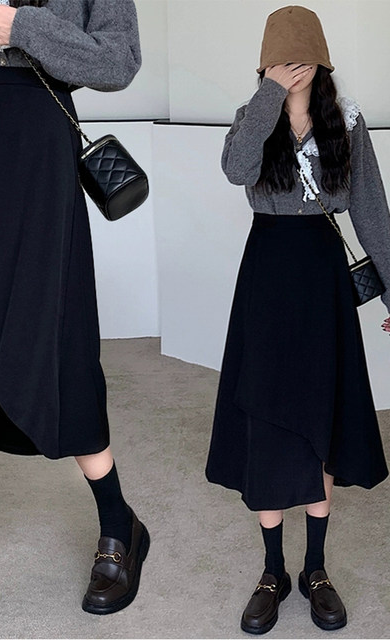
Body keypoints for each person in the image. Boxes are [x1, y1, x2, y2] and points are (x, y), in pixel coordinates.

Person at [0, 0, 150, 635]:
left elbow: (120, 62)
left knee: (57, 349)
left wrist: (25, 27)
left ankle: (119, 522)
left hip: (43, 175)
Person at [205, 5, 390, 635]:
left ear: (322, 58)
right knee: (268, 419)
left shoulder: (347, 121)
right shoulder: (253, 116)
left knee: (321, 418)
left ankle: (315, 568)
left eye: (303, 54)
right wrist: (269, 95)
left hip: (322, 281)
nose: (294, 64)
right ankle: (271, 571)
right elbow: (236, 171)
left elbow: (372, 212)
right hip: (267, 277)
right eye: (281, 58)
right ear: (264, 64)